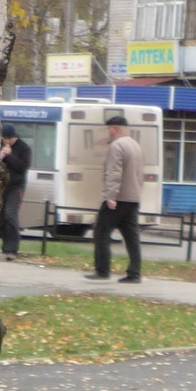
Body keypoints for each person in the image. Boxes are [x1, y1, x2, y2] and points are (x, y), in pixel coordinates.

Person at [84, 114, 143, 284]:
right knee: (131, 237)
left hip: (118, 198)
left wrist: (111, 196)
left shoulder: (117, 146)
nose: (108, 132)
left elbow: (113, 172)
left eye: (109, 129)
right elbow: (139, 174)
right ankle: (134, 273)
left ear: (114, 129)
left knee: (101, 231)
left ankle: (102, 270)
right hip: (133, 198)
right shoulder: (135, 145)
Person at [0, 122, 31, 257]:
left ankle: (12, 248)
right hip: (1, 186)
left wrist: (10, 156)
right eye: (4, 139)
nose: (6, 142)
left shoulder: (23, 148)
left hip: (16, 186)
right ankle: (5, 245)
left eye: (8, 139)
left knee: (10, 214)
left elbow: (22, 167)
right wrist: (0, 157)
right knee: (1, 217)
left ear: (13, 137)